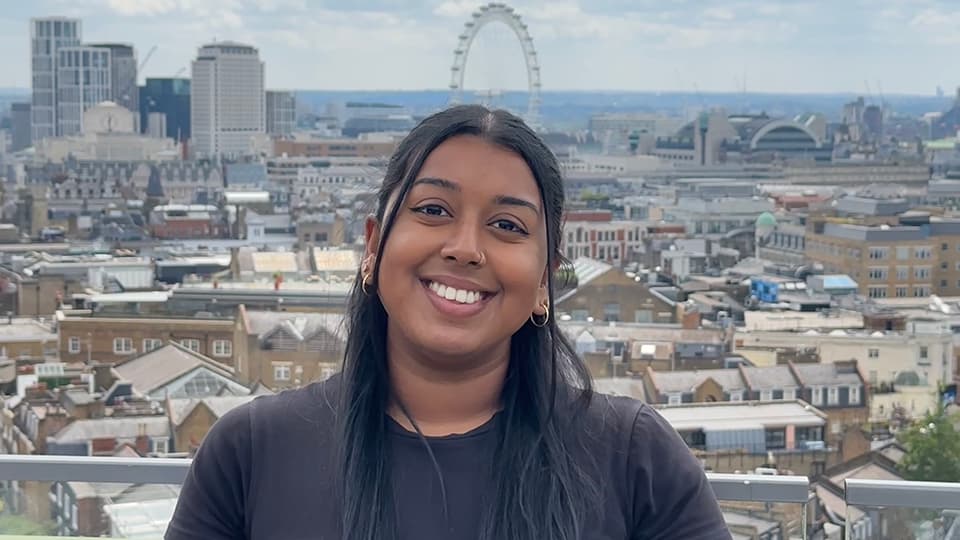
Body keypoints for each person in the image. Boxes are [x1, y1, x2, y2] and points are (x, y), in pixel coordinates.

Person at [166, 105, 731, 540]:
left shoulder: (633, 458)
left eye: (508, 225)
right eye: (433, 210)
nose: (465, 249)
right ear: (372, 246)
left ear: (545, 280)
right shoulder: (251, 452)